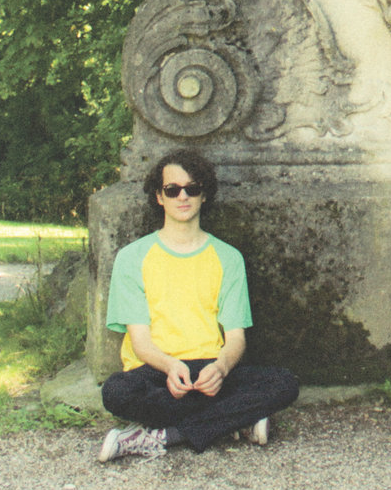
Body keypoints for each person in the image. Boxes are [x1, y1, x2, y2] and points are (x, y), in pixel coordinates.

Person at [97, 150, 299, 462]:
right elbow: (140, 343)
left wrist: (221, 368)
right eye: (172, 189)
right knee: (116, 392)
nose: (183, 196)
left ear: (204, 195)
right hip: (157, 371)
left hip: (209, 370)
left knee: (283, 384)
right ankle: (234, 420)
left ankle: (163, 435)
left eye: (192, 189)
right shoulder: (132, 257)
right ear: (159, 197)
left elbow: (235, 338)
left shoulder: (228, 258)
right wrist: (169, 366)